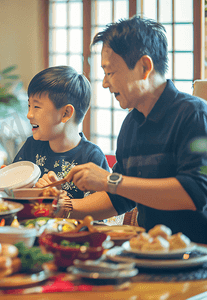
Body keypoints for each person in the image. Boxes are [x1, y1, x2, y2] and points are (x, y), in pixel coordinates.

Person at [53, 16, 207, 244]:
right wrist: (61, 207)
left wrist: (110, 180)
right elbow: (121, 198)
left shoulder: (194, 114)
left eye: (110, 72)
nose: (105, 83)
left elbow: (196, 192)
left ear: (144, 67)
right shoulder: (131, 124)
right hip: (151, 252)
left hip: (196, 257)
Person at [13, 66, 115, 221]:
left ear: (66, 113)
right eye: (29, 106)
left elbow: (99, 215)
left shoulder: (91, 156)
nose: (29, 115)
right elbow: (14, 195)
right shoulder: (31, 146)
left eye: (36, 107)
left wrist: (58, 198)